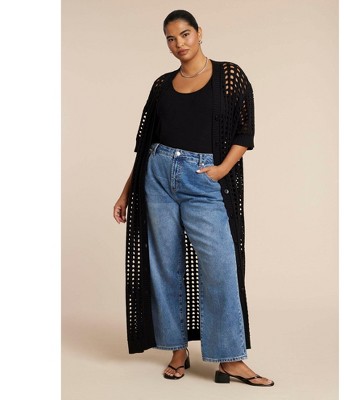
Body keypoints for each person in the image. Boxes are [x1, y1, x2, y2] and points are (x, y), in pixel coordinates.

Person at [113, 9, 274, 387]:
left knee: (220, 265)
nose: (179, 44)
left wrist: (221, 170)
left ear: (199, 33)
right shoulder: (161, 85)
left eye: (184, 34)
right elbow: (145, 144)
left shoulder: (229, 76)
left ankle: (230, 359)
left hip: (202, 179)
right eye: (171, 38)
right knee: (165, 265)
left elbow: (245, 132)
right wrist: (126, 192)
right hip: (157, 176)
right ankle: (177, 350)